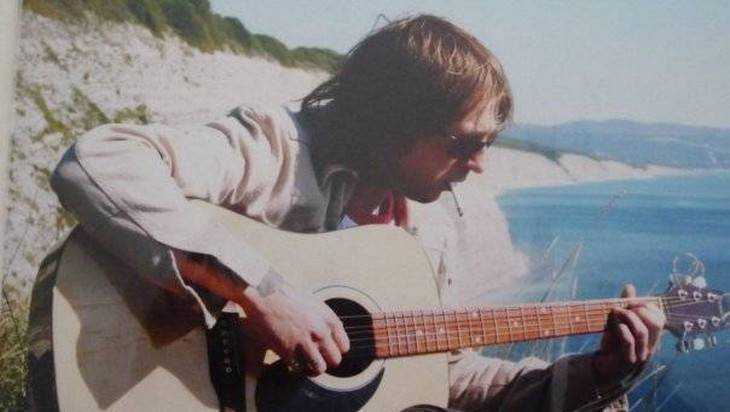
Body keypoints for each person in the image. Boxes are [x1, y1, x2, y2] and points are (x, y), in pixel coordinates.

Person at [47, 14, 664, 411]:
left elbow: (443, 377)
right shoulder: (276, 150)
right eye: (463, 143)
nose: (478, 165)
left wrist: (596, 372)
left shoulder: (426, 228)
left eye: (487, 144)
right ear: (395, 122)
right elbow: (99, 162)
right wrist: (262, 292)